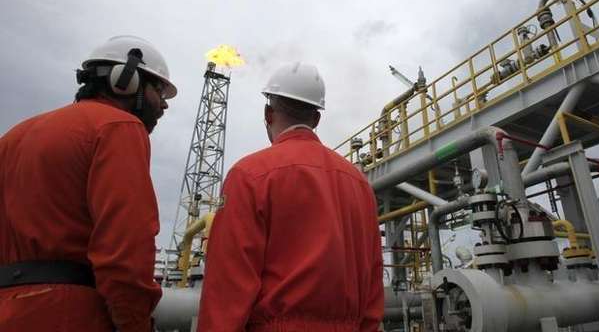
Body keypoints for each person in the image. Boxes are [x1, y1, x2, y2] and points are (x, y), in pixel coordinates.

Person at [0, 35, 177, 332]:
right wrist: (135, 324)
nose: (163, 106)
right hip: (68, 314)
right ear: (126, 81)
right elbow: (125, 248)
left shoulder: (12, 137)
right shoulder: (118, 128)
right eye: (159, 91)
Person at [198, 62, 384, 332]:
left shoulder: (249, 175)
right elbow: (373, 284)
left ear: (268, 113)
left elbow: (227, 290)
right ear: (317, 119)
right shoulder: (359, 184)